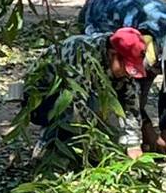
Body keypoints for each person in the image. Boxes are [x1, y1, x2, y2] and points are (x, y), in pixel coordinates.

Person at [80, 0, 166, 154]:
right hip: (99, 15)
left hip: (130, 17)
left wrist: (164, 134)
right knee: (105, 82)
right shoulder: (150, 45)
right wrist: (147, 134)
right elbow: (131, 92)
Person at [27, 28, 148, 162]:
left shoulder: (122, 60)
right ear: (112, 54)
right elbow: (77, 107)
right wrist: (99, 144)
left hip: (82, 96)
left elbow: (131, 104)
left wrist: (133, 144)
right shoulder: (81, 55)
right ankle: (48, 149)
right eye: (126, 68)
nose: (128, 75)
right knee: (82, 119)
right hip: (43, 98)